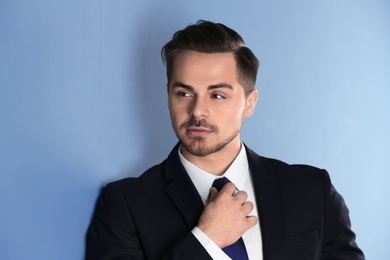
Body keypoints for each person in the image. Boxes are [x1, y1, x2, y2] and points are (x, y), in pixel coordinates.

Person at [85, 20, 364, 259]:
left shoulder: (312, 191)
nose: (197, 111)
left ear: (249, 103)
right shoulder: (126, 205)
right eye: (184, 93)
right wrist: (206, 240)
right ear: (167, 94)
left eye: (217, 95)